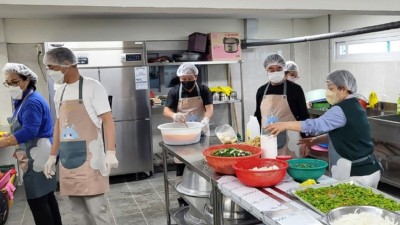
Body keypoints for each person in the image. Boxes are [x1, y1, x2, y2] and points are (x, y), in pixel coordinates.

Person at [42, 47, 119, 225]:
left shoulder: (93, 87)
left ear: (66, 64)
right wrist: (52, 155)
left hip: (91, 160)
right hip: (68, 160)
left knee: (97, 211)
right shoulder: (59, 92)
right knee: (77, 213)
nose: (49, 72)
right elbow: (59, 125)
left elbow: (108, 120)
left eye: (51, 67)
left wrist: (110, 152)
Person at [266, 70, 381, 188]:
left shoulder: (340, 109)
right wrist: (315, 140)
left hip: (357, 174)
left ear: (343, 89)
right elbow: (346, 134)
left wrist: (284, 125)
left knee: (352, 206)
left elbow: (315, 125)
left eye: (331, 89)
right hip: (371, 170)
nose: (328, 93)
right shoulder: (355, 104)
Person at [0, 63, 62, 225]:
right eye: (8, 83)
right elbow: (20, 126)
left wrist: (4, 142)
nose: (11, 86)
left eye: (14, 82)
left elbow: (28, 132)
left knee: (38, 201)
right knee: (47, 197)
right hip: (38, 152)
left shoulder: (31, 102)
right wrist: (18, 146)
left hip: (39, 157)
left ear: (26, 80)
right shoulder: (23, 99)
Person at [254, 54, 309, 158]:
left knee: (291, 169)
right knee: (270, 168)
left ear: (283, 69)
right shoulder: (261, 91)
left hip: (291, 140)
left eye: (279, 68)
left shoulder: (295, 89)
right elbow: (258, 116)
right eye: (271, 69)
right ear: (266, 70)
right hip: (267, 139)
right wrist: (255, 139)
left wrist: (306, 140)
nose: (275, 72)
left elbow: (304, 117)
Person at [163, 62, 214, 175]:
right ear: (180, 78)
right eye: (183, 78)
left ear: (195, 77)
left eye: (189, 78)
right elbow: (166, 111)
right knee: (181, 158)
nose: (186, 81)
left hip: (201, 129)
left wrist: (206, 119)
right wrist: (174, 115)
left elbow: (209, 108)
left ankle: (201, 184)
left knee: (201, 159)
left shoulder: (204, 90)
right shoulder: (174, 91)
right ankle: (181, 180)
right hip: (182, 131)